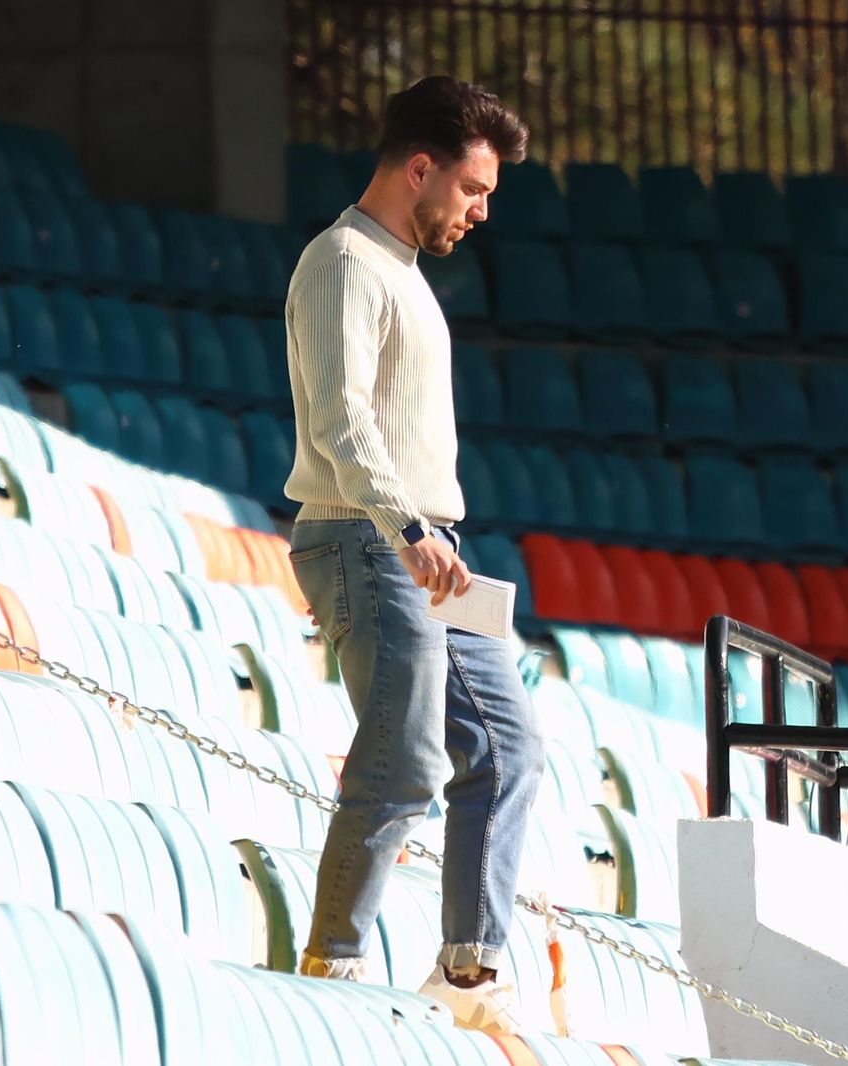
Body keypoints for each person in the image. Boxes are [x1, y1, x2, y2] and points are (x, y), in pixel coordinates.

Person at [282, 75, 544, 1035]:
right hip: (371, 537)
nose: (481, 211)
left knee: (510, 748)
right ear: (421, 168)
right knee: (404, 761)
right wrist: (408, 530)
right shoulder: (344, 261)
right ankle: (331, 970)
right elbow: (341, 421)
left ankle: (469, 971)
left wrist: (426, 537)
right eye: (473, 188)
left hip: (428, 546)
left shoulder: (401, 269)